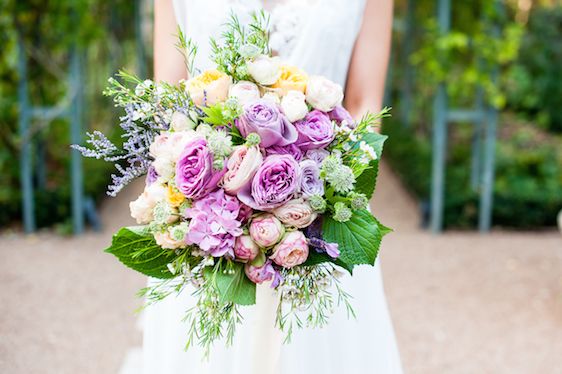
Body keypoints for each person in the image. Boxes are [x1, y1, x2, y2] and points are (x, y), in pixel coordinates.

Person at [143, 0, 402, 373]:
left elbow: (365, 103)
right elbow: (168, 100)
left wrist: (320, 194)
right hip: (207, 220)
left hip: (323, 210)